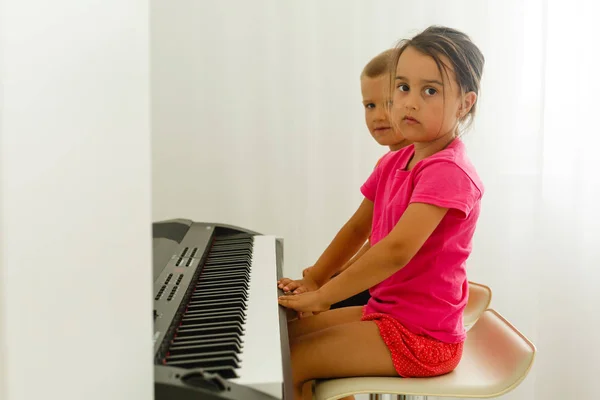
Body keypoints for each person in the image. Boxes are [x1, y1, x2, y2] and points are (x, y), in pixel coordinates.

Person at [276, 25, 485, 400]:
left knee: (295, 360)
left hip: (423, 336)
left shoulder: (448, 170)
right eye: (403, 88)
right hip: (386, 314)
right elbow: (358, 227)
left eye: (430, 91)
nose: (410, 102)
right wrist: (315, 279)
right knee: (284, 338)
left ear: (464, 103)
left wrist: (323, 298)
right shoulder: (395, 161)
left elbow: (395, 250)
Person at [298, 48, 412, 311]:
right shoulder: (387, 164)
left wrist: (325, 281)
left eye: (389, 103)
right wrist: (328, 274)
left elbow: (384, 246)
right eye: (370, 105)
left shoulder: (421, 165)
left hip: (395, 293)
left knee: (294, 326)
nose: (378, 116)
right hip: (378, 282)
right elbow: (365, 232)